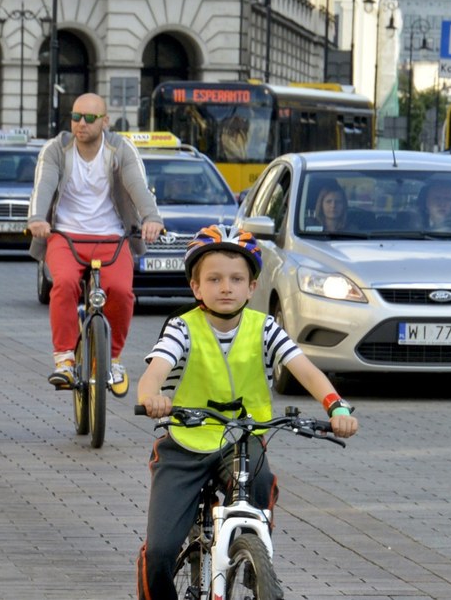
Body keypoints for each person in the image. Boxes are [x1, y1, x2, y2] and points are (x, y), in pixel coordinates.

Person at [134, 225, 359, 600]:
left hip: (240, 441)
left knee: (260, 482)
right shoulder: (183, 328)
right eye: (215, 279)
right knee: (159, 550)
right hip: (185, 443)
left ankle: (254, 560)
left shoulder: (265, 328)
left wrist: (337, 407)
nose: (226, 287)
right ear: (196, 288)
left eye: (237, 279)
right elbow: (154, 372)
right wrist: (153, 396)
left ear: (252, 287)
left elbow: (305, 370)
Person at [28, 92, 163, 396]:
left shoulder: (120, 149)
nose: (80, 124)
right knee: (62, 284)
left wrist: (151, 218)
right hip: (65, 235)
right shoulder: (56, 148)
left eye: (89, 118)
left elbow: (137, 185)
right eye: (75, 117)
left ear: (105, 121)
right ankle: (64, 359)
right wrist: (37, 218)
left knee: (122, 292)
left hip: (113, 237)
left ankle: (112, 358)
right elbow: (44, 183)